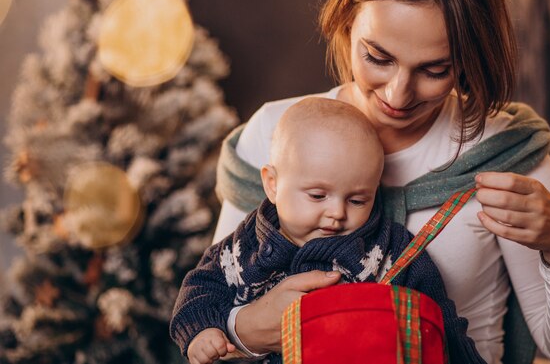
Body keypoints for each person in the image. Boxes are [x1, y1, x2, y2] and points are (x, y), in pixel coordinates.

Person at [213, 0, 550, 363]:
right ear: (348, 21)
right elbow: (207, 326)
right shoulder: (275, 133)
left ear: (466, 59)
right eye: (378, 57)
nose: (397, 95)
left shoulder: (505, 155)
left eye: (434, 70)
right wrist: (248, 327)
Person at [171, 97, 485, 364]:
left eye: (358, 199)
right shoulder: (244, 247)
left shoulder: (389, 249)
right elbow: (200, 287)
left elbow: (441, 321)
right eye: (318, 196)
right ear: (273, 184)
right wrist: (202, 331)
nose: (337, 213)